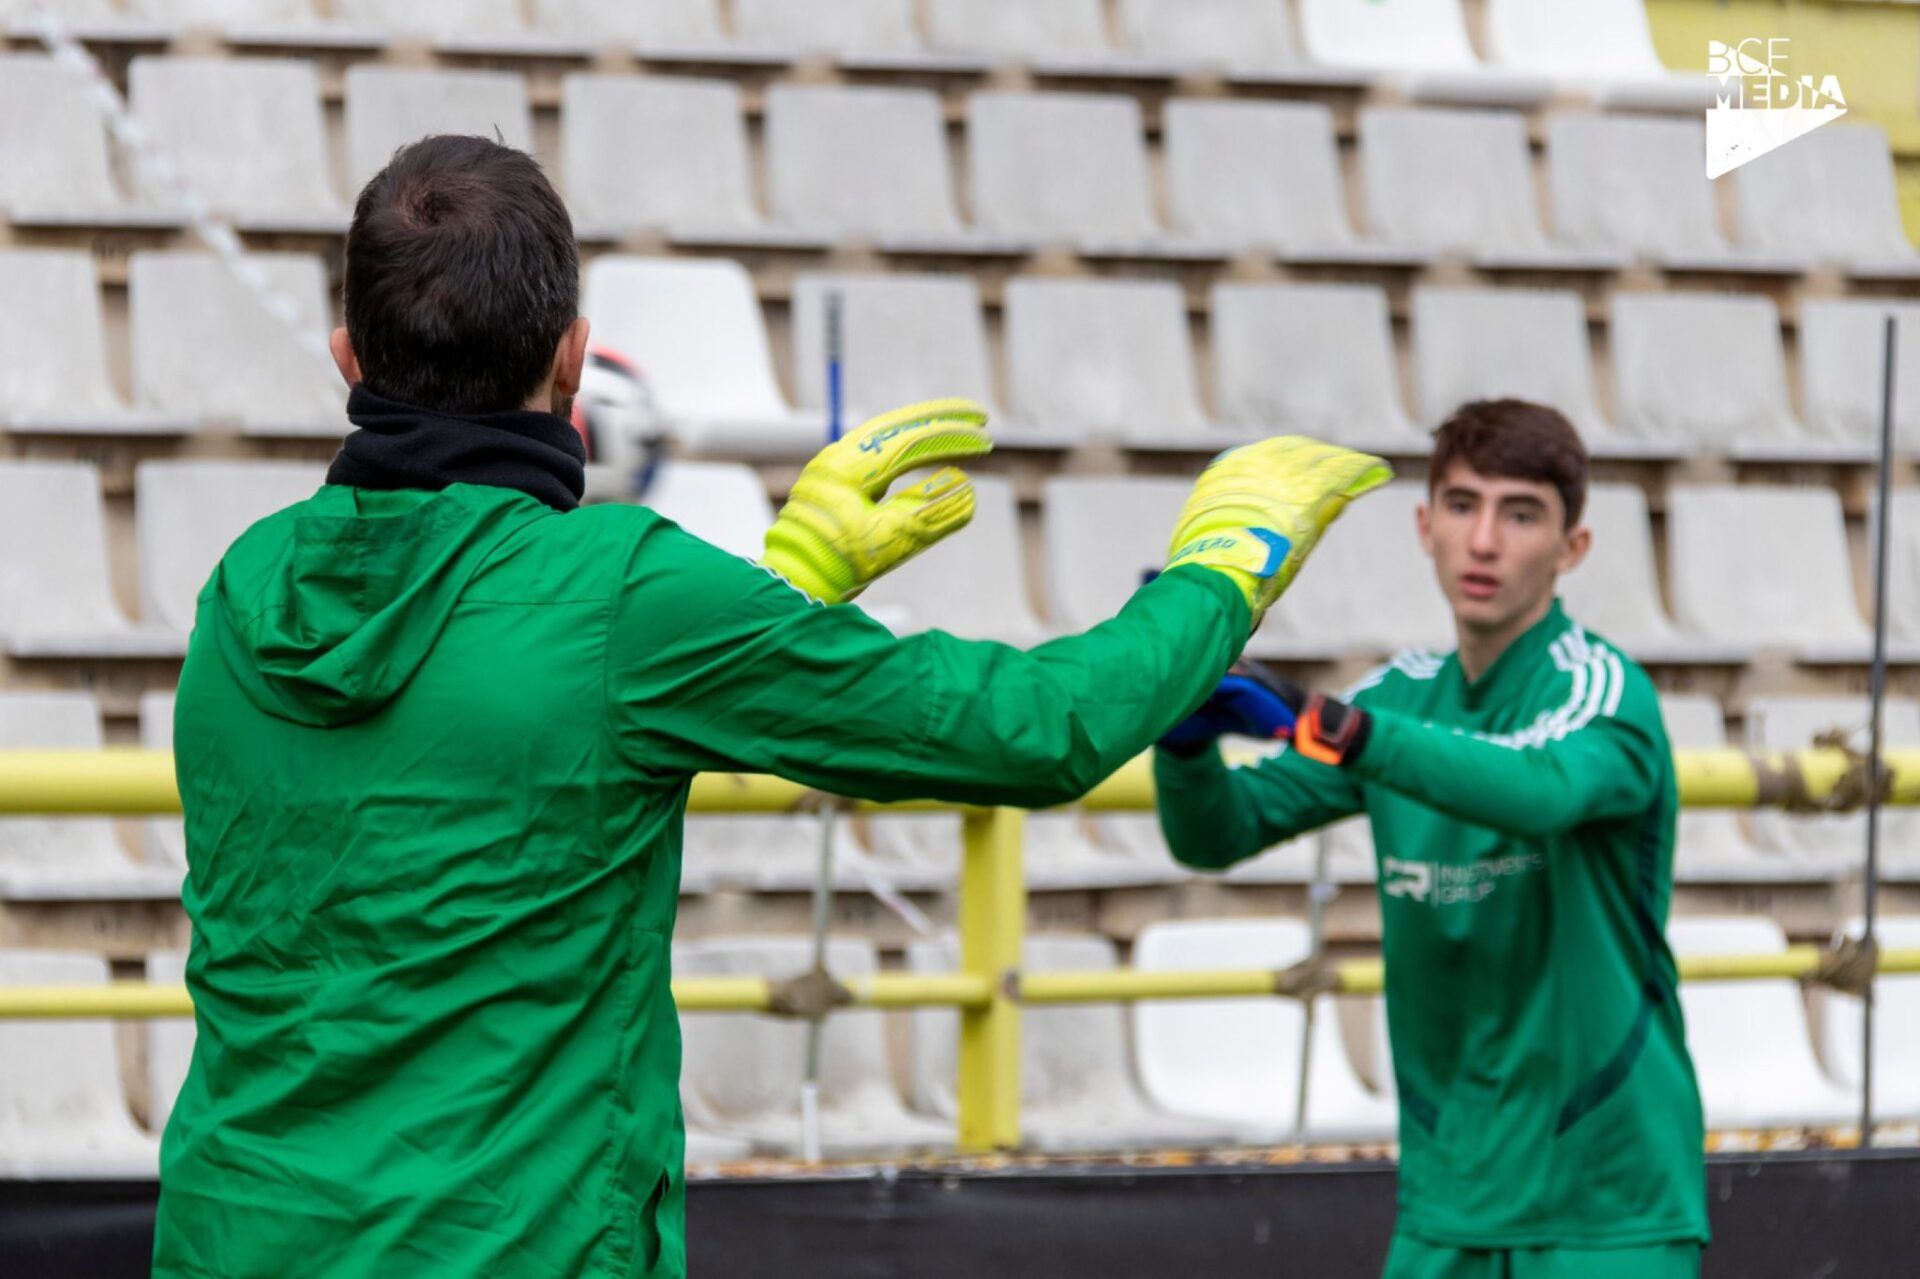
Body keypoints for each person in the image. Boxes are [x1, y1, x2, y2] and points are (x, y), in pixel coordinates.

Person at [149, 132, 1390, 1278]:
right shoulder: (627, 594)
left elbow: (480, 754)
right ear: (574, 358)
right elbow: (1036, 726)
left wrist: (784, 597)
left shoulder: (239, 591)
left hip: (233, 1236)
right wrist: (1226, 570)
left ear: (349, 357)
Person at [1156, 399, 1709, 1279]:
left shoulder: (1605, 690)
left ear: (1573, 549)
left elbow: (1541, 790)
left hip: (1606, 1208)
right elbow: (1217, 834)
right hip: (1447, 1200)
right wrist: (1182, 737)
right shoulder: (1395, 698)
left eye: (1520, 513)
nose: (1483, 540)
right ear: (1425, 525)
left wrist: (1333, 727)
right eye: (1462, 504)